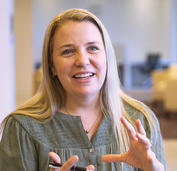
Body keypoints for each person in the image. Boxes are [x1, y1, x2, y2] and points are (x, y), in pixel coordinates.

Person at [0, 8, 166, 171]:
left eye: (92, 48)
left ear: (107, 57)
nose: (82, 61)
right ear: (52, 66)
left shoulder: (141, 120)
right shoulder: (22, 128)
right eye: (68, 51)